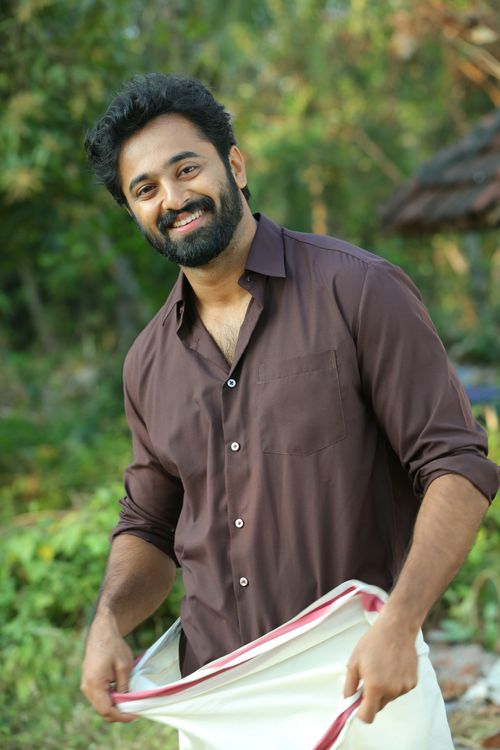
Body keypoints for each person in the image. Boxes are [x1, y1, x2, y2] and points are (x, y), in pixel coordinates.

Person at [81, 73, 499, 731]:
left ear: (235, 166)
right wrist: (108, 621)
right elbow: (150, 525)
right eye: (146, 188)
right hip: (219, 700)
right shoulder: (147, 363)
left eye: (186, 169)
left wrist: (400, 622)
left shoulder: (359, 290)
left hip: (362, 678)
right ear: (134, 210)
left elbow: (456, 465)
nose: (174, 198)